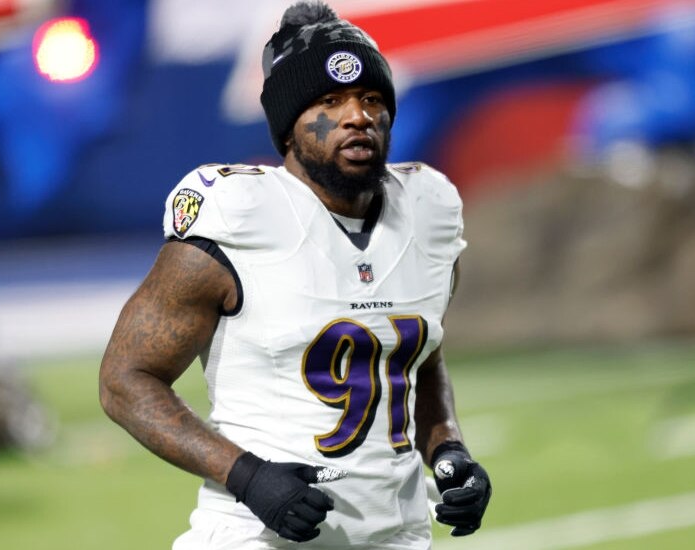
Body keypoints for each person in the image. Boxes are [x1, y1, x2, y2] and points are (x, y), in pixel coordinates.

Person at [98, 2, 491, 548]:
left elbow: (418, 354)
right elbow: (125, 380)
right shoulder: (238, 213)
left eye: (372, 99)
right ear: (288, 125)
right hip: (258, 537)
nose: (357, 116)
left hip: (396, 534)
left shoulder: (430, 208)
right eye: (329, 101)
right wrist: (249, 477)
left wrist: (448, 449)